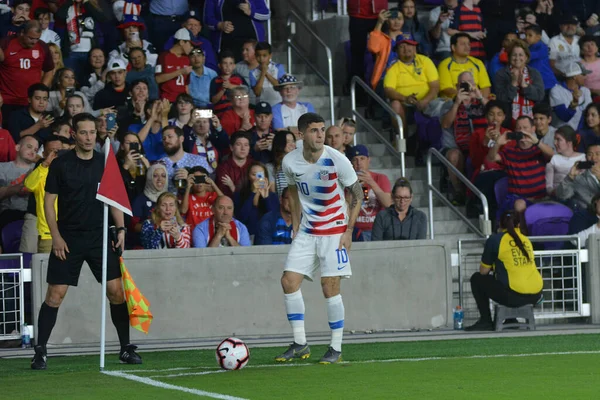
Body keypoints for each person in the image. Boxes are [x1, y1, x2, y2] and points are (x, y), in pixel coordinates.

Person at [31, 113, 141, 370]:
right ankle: (40, 351)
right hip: (67, 238)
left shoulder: (105, 163)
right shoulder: (61, 164)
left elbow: (114, 201)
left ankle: (125, 348)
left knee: (116, 292)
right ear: (74, 135)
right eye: (84, 132)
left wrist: (121, 229)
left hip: (100, 237)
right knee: (55, 295)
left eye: (93, 132)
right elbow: (49, 202)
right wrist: (56, 236)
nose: (89, 137)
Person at [274, 112, 363, 365]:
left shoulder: (337, 160)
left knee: (329, 287)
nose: (320, 135)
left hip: (335, 231)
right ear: (301, 135)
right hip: (307, 231)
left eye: (322, 129)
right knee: (288, 282)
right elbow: (292, 191)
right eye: (314, 130)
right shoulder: (290, 162)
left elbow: (357, 194)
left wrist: (348, 231)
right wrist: (295, 224)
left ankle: (335, 347)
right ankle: (300, 343)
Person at [465, 210, 543, 331]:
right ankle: (511, 319)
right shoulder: (526, 240)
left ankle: (485, 320)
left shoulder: (495, 240)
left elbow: (483, 272)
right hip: (536, 295)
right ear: (519, 225)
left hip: (513, 297)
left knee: (477, 279)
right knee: (507, 279)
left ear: (500, 225)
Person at [487, 116, 554, 229]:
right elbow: (491, 158)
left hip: (541, 199)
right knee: (519, 205)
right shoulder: (509, 151)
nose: (522, 131)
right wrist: (498, 143)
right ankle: (523, 239)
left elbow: (552, 155)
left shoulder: (539, 149)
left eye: (525, 127)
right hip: (516, 199)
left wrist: (536, 141)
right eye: (518, 128)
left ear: (533, 129)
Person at [439, 71, 488, 204]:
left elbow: (494, 115)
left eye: (470, 83)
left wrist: (479, 97)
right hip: (456, 147)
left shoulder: (481, 102)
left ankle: (478, 198)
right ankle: (459, 192)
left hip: (479, 144)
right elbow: (445, 124)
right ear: (457, 86)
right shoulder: (449, 104)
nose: (467, 86)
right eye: (463, 84)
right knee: (454, 155)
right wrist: (457, 103)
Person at [0, 21, 54, 124]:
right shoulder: (6, 44)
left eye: (37, 38)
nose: (34, 42)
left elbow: (49, 70)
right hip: (7, 101)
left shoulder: (42, 47)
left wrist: (41, 90)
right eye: (31, 38)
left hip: (30, 103)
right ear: (21, 33)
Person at [383, 34, 439, 133]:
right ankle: (403, 141)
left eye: (409, 45)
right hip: (405, 104)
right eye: (402, 46)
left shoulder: (425, 61)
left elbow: (435, 86)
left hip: (428, 102)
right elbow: (388, 90)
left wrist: (425, 101)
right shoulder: (393, 66)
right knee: (395, 104)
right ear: (396, 51)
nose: (406, 48)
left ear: (415, 48)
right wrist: (405, 98)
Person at [23, 136, 68, 253]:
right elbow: (28, 185)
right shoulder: (42, 171)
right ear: (44, 154)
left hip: (70, 231)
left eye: (59, 150)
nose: (56, 154)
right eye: (52, 151)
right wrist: (45, 164)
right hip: (48, 234)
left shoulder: (71, 169)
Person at [495, 40, 545, 127]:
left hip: (532, 123)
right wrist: (513, 83)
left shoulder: (534, 73)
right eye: (514, 55)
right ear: (509, 57)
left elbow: (540, 96)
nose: (517, 58)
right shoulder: (501, 74)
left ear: (526, 57)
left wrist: (525, 86)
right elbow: (501, 99)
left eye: (521, 55)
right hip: (508, 123)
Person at [203, 0, 271, 61]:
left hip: (252, 45)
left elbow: (266, 15)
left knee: (255, 73)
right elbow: (207, 19)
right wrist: (220, 25)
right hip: (227, 46)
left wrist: (251, 12)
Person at [350, 145, 392, 241]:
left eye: (362, 159)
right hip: (355, 230)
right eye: (355, 159)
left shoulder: (380, 178)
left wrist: (371, 182)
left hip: (376, 229)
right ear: (351, 163)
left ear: (368, 160)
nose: (359, 163)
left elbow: (388, 204)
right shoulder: (346, 181)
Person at [0, 135, 38, 234]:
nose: (33, 151)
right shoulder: (2, 168)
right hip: (8, 214)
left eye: (36, 149)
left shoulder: (38, 169)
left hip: (34, 215)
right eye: (29, 147)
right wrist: (21, 185)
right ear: (17, 147)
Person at [438, 33, 491, 99]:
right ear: (453, 47)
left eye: (468, 44)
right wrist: (465, 98)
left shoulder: (478, 63)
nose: (467, 47)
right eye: (463, 44)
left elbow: (485, 87)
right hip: (453, 102)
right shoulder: (445, 65)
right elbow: (447, 89)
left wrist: (481, 100)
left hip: (476, 99)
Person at [159, 125, 212, 193]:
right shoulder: (159, 164)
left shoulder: (199, 160)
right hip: (168, 203)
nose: (166, 140)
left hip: (193, 202)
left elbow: (211, 188)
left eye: (170, 137)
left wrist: (191, 178)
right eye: (163, 138)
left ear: (181, 139)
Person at [233, 161, 279, 237]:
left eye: (260, 175)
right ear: (248, 176)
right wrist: (253, 193)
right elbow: (241, 218)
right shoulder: (239, 194)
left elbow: (274, 220)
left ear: (266, 177)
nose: (258, 178)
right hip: (246, 235)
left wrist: (266, 199)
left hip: (266, 236)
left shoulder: (272, 196)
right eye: (254, 175)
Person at [130, 163, 168, 247]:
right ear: (149, 178)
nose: (159, 179)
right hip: (144, 246)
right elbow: (133, 226)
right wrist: (155, 227)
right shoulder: (140, 200)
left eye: (163, 176)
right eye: (155, 176)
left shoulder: (169, 198)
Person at [367, 8, 406, 90]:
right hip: (384, 78)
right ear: (387, 21)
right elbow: (373, 48)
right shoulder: (382, 38)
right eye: (393, 19)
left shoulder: (407, 38)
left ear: (403, 21)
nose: (396, 22)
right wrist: (379, 22)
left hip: (404, 76)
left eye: (399, 19)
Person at [550, 62, 593, 130]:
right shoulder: (556, 91)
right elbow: (564, 117)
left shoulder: (585, 91)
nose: (585, 77)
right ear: (574, 76)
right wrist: (574, 103)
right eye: (583, 74)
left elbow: (588, 114)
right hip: (561, 134)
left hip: (580, 133)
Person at [155, 28, 193, 102]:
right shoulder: (163, 56)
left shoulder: (187, 59)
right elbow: (157, 79)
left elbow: (186, 85)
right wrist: (180, 71)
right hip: (167, 100)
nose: (191, 48)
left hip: (182, 102)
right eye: (190, 44)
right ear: (182, 42)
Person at [180, 166, 223, 231]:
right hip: (193, 233)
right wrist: (188, 187)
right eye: (196, 179)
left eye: (201, 179)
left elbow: (225, 202)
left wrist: (213, 184)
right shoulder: (188, 197)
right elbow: (183, 210)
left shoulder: (213, 195)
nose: (199, 183)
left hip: (211, 232)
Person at [546, 125, 585, 195]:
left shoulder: (582, 158)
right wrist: (558, 192)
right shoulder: (554, 159)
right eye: (554, 139)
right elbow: (549, 188)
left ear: (569, 142)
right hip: (558, 197)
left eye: (558, 140)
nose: (555, 143)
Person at [216, 131, 252, 197]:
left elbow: (260, 188)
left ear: (249, 148)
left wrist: (232, 187)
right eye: (239, 144)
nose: (243, 148)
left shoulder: (255, 165)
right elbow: (224, 194)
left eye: (246, 145)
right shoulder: (223, 168)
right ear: (231, 147)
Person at [210, 50, 246, 117]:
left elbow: (246, 91)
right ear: (219, 65)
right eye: (225, 63)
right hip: (220, 113)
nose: (228, 66)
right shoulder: (215, 80)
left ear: (234, 66)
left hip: (237, 111)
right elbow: (213, 101)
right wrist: (223, 89)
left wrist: (230, 86)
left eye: (230, 63)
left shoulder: (239, 78)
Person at [524, 24, 558, 93]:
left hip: (547, 81)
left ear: (538, 37)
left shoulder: (543, 47)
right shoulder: (529, 48)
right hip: (537, 81)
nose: (526, 38)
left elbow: (529, 56)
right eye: (526, 35)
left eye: (530, 35)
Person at [250, 41, 285, 106]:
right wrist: (263, 73)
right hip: (261, 105)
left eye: (264, 56)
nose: (261, 59)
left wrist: (266, 73)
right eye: (258, 56)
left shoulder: (278, 67)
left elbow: (280, 86)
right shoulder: (252, 72)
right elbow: (257, 92)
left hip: (278, 102)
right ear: (255, 55)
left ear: (270, 55)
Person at [549, 15, 581, 79]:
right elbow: (551, 64)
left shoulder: (580, 40)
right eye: (566, 24)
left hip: (579, 76)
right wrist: (564, 75)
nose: (570, 27)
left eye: (573, 24)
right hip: (561, 77)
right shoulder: (554, 41)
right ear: (560, 26)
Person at [266, 130, 296, 198]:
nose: (292, 144)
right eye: (288, 141)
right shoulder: (270, 167)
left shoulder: (300, 164)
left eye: (293, 141)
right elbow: (272, 194)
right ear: (280, 143)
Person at [234, 39, 259, 104]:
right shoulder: (237, 67)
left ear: (256, 52)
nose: (243, 52)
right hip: (243, 105)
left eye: (247, 50)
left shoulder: (266, 67)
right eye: (243, 50)